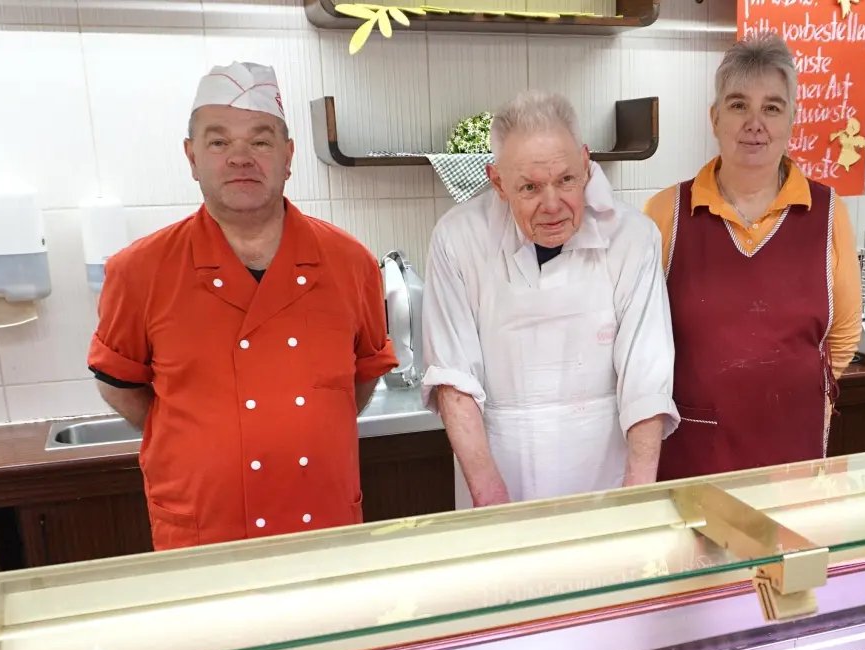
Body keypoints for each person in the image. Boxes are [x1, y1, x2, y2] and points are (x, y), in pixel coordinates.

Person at [87, 61, 396, 550]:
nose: (241, 157)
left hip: (322, 525)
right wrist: (198, 435)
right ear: (191, 158)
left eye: (260, 140)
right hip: (204, 533)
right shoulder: (138, 270)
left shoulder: (351, 262)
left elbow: (360, 381)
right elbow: (121, 388)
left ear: (288, 155)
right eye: (218, 141)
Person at [422, 90, 677, 506]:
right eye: (530, 187)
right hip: (496, 475)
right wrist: (491, 503)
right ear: (497, 182)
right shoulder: (458, 238)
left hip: (605, 476)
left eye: (566, 180)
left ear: (586, 164)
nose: (553, 205)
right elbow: (454, 381)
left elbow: (646, 377)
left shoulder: (634, 237)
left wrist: (638, 498)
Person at [643, 33, 864, 480]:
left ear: (792, 121)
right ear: (715, 117)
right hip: (693, 459)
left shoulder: (828, 214)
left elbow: (843, 335)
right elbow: (639, 344)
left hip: (793, 458)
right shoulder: (666, 213)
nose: (754, 122)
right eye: (739, 104)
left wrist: (798, 401)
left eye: (772, 107)